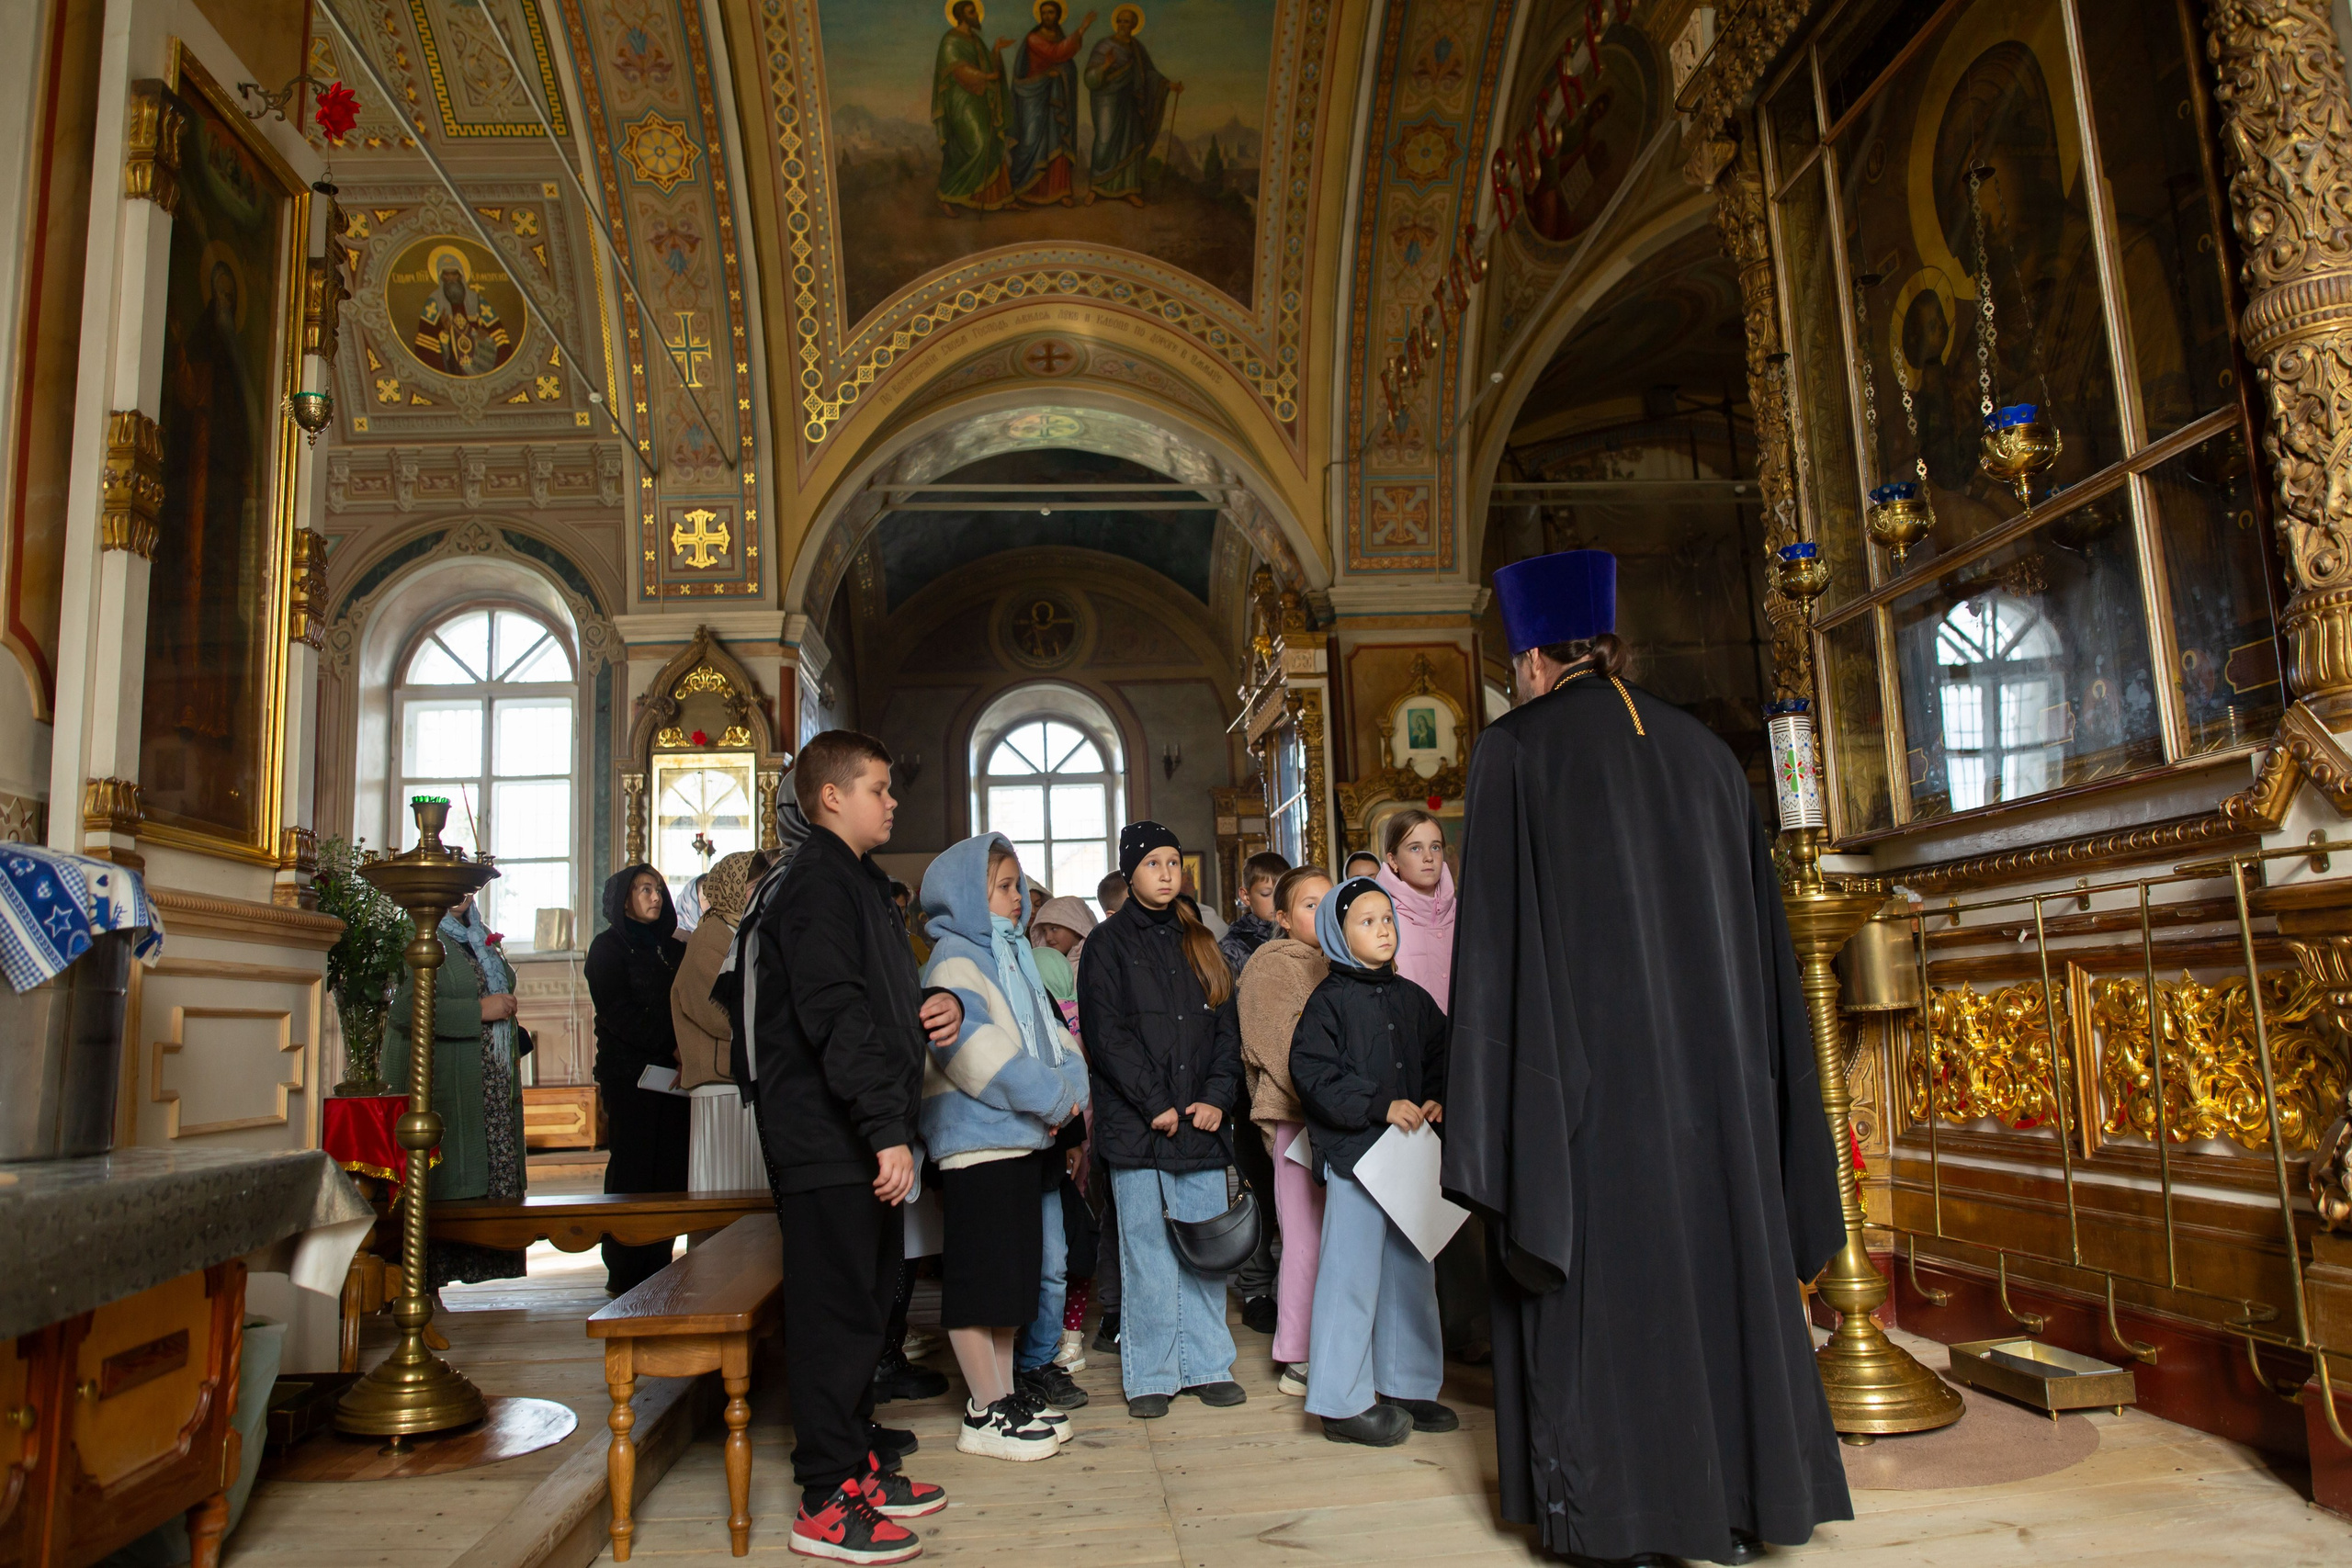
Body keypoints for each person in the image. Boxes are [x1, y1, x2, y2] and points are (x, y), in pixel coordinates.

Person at [1443, 549, 1850, 1564]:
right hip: (1718, 1098)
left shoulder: (1517, 752)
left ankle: (1620, 1521)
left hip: (1584, 1105)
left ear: (1533, 660)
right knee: (1722, 1277)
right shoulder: (1706, 755)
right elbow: (1763, 961)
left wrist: (1498, 1108)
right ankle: (1746, 1506)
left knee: (1606, 1302)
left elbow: (1493, 952)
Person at [734, 731, 958, 1562]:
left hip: (855, 1131)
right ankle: (826, 1501)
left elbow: (877, 1002)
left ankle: (854, 1462)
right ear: (831, 796)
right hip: (828, 1135)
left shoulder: (858, 882)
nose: (892, 801)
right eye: (878, 787)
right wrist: (883, 1128)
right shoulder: (816, 884)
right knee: (833, 1314)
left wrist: (939, 1011)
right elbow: (833, 1013)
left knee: (866, 1306)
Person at [917, 834, 1091, 1460]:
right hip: (978, 1143)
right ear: (969, 894)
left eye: (1019, 885)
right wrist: (1051, 1099)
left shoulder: (1010, 955)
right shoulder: (956, 960)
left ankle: (1003, 1391)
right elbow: (975, 1052)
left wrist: (1070, 1090)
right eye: (1005, 887)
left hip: (1020, 1140)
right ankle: (983, 1407)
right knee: (980, 1281)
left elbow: (1054, 1035)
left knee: (1010, 1283)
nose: (1019, 899)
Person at [1078, 822, 1246, 1419]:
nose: (1168, 871)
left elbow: (1227, 1029)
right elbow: (1106, 1033)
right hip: (1141, 1124)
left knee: (1202, 1248)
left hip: (1200, 1122)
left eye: (1175, 861)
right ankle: (1150, 1371)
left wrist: (1217, 1098)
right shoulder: (1107, 944)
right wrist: (1156, 1102)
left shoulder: (1201, 939)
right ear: (1131, 873)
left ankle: (1206, 1364)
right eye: (1154, 862)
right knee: (1147, 1251)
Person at [1291, 876, 1451, 1448]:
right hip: (1356, 1159)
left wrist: (1437, 1095)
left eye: (1388, 919)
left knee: (1413, 1271)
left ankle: (1407, 1385)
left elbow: (1442, 1052)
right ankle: (1341, 1401)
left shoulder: (1412, 998)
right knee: (1349, 1277)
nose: (1384, 928)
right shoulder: (1327, 1003)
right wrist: (1380, 1105)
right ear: (1338, 934)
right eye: (1367, 921)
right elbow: (1311, 1075)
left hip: (1408, 1162)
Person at [1374, 809, 1483, 1360]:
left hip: (1462, 1067)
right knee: (1417, 1202)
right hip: (1408, 1074)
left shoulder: (1464, 909)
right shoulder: (1380, 913)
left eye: (1436, 846)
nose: (1429, 857)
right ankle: (1421, 1334)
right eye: (1414, 848)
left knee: (1467, 1198)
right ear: (1391, 858)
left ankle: (1469, 1327)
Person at [389, 892, 526, 1289]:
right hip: (447, 1077)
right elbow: (404, 1008)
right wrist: (478, 1011)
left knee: (486, 1189)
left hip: (489, 1082)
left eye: (468, 885)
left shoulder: (477, 934)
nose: (461, 894)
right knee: (446, 1187)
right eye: (452, 883)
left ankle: (442, 1284)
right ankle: (422, 1287)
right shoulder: (415, 933)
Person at [1237, 865, 1331, 1395]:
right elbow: (1274, 1049)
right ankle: (1297, 1353)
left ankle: (1331, 1341)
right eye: (1309, 905)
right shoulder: (1271, 966)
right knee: (1304, 1238)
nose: (1322, 913)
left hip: (1340, 1122)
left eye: (1328, 901)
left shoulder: (1337, 962)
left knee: (1336, 1237)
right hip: (1297, 1120)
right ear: (1283, 918)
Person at [585, 864, 690, 1296]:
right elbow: (618, 1013)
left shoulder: (674, 949)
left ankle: (659, 1262)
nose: (655, 897)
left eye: (658, 889)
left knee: (669, 1172)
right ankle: (625, 1270)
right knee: (633, 1172)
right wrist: (672, 1044)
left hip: (675, 1078)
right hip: (630, 1078)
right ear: (624, 899)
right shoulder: (607, 948)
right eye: (643, 889)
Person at [673, 851, 774, 1194]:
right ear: (731, 887)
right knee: (724, 1186)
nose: (757, 893)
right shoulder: (710, 937)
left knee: (748, 1188)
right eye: (753, 886)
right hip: (719, 1082)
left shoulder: (740, 930)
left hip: (739, 1075)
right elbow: (711, 1007)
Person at [1082, 4, 1179, 206]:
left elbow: (1149, 74)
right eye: (1121, 21)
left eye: (1128, 22)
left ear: (1134, 25)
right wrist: (1106, 65)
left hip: (1130, 102)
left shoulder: (1137, 48)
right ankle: (1096, 187)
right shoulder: (1104, 46)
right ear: (1116, 22)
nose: (1123, 25)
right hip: (1107, 101)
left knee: (1132, 141)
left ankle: (1129, 190)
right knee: (1105, 140)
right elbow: (1090, 78)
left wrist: (1167, 85)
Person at [933, 0, 1014, 214]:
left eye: (976, 10)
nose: (976, 15)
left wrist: (995, 50)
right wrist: (987, 76)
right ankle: (947, 194)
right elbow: (960, 71)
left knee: (993, 144)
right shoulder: (950, 40)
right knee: (980, 144)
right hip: (961, 100)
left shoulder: (975, 40)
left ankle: (1000, 197)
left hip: (978, 99)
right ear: (961, 15)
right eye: (972, 12)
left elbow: (986, 64)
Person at [1009, 2, 1093, 204]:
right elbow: (1056, 53)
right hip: (1034, 96)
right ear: (1040, 15)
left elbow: (1064, 61)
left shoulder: (1059, 37)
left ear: (1057, 15)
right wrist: (1081, 29)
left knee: (1058, 141)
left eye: (1051, 12)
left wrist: (1061, 74)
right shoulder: (1033, 38)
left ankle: (1062, 191)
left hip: (1056, 99)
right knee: (1031, 141)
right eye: (1044, 12)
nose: (1047, 16)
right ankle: (1026, 189)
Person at [1218, 851, 1289, 976]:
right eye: (1266, 894)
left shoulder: (1298, 934)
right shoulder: (1231, 949)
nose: (1277, 901)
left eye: (1283, 893)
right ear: (1245, 896)